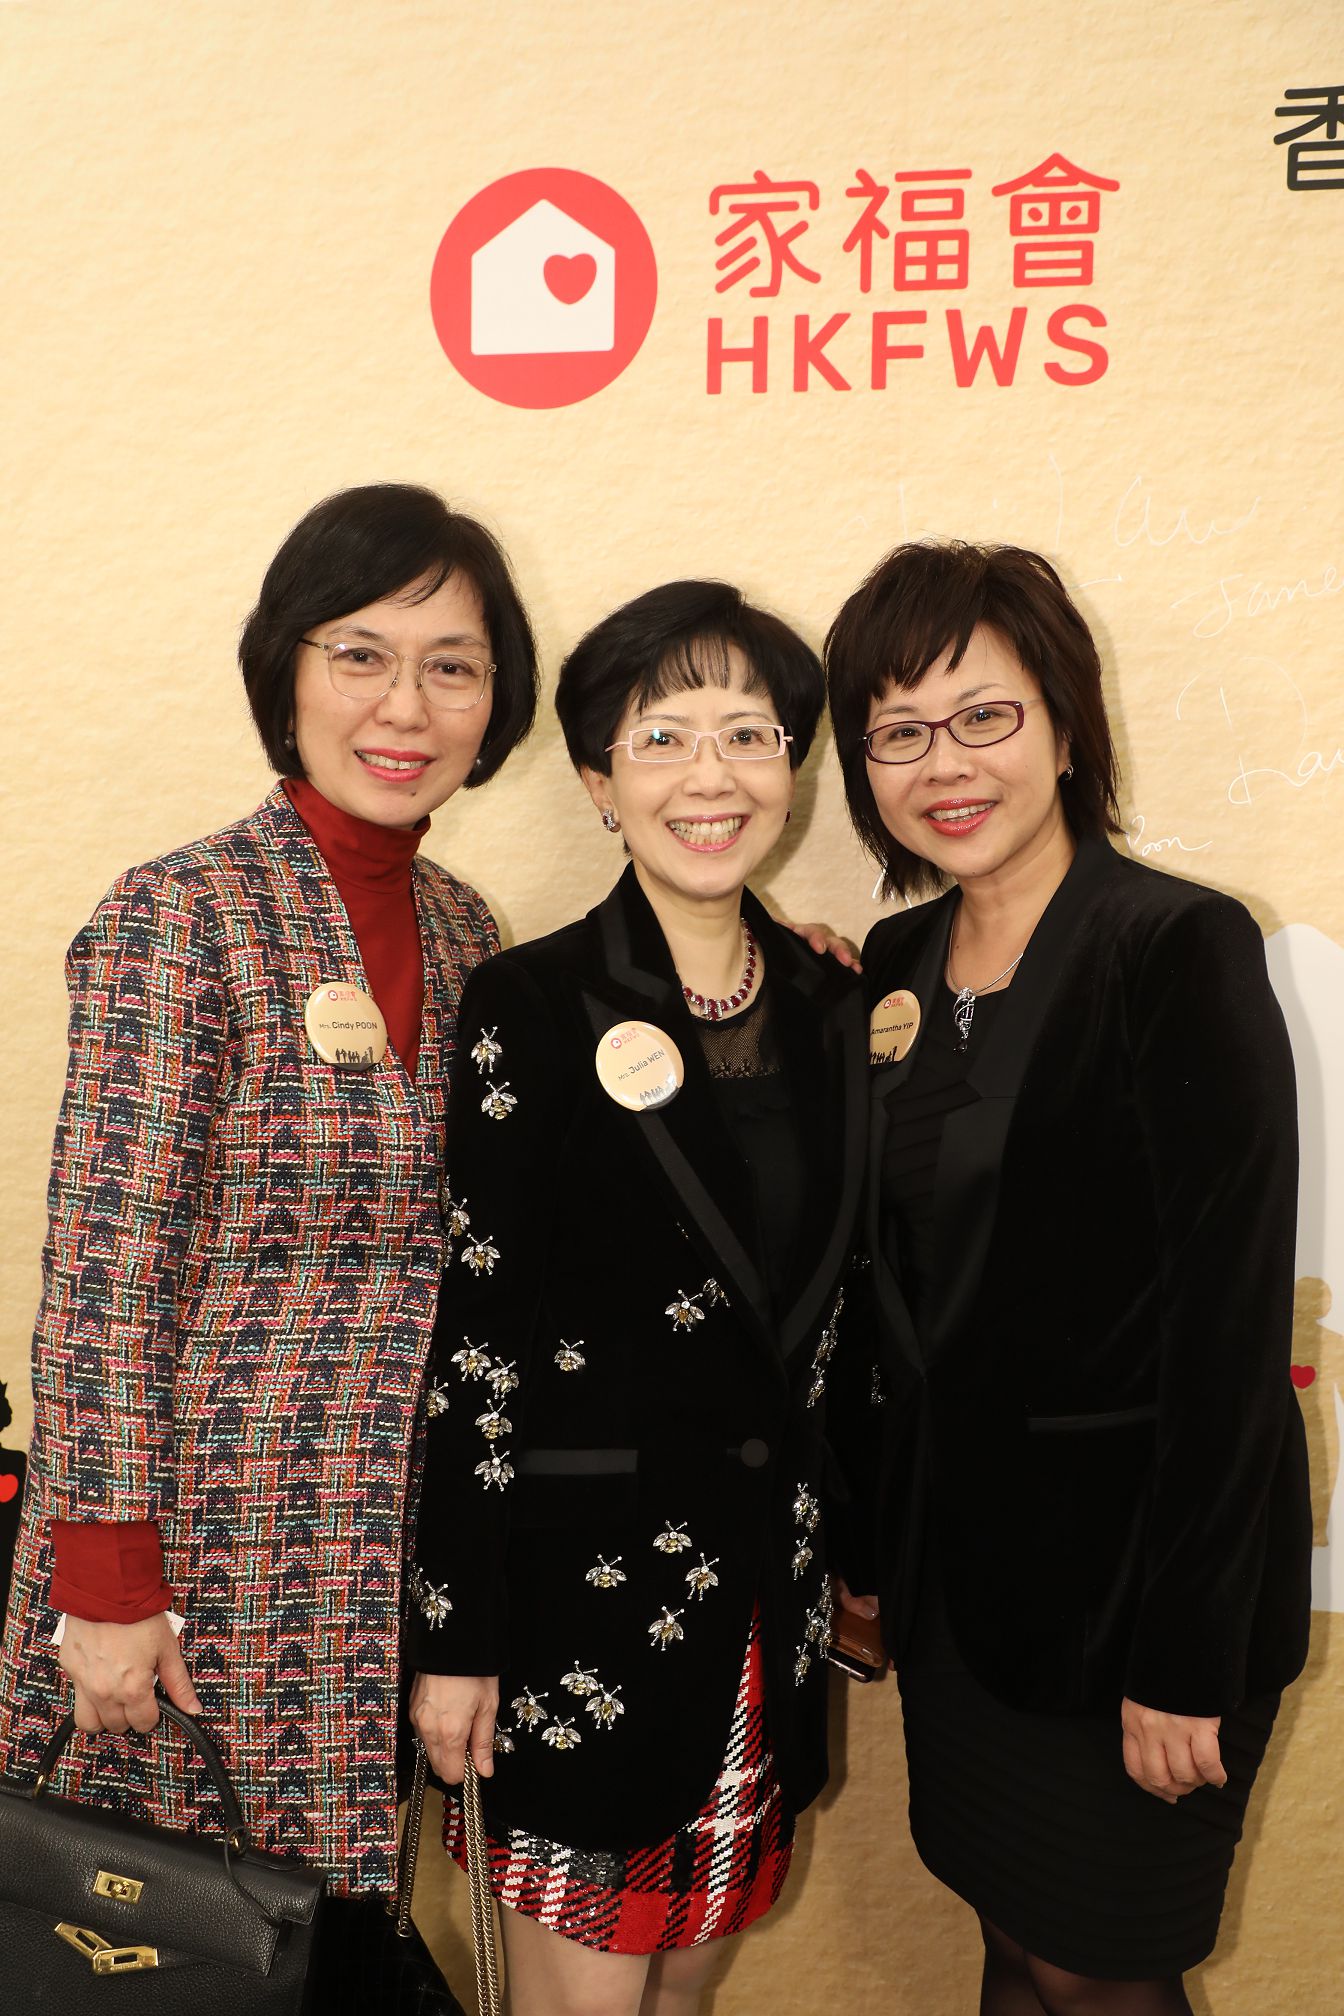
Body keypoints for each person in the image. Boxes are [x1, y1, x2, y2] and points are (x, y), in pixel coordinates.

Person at [0, 485, 538, 1950]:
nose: (405, 705)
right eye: (359, 654)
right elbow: (105, 1271)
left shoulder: (466, 931)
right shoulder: (180, 912)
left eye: (451, 664)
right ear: (284, 672)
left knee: (332, 1943)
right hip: (200, 1559)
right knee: (169, 1949)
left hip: (389, 1548)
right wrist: (107, 1584)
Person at [824, 541, 1311, 2016]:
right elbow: (885, 1284)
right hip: (961, 1595)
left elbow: (1227, 1328)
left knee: (1099, 1971)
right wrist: (867, 1546)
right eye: (898, 731)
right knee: (1012, 1941)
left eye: (985, 715)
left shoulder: (1174, 943)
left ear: (1065, 726)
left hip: (1131, 1601)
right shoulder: (894, 962)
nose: (944, 763)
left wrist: (1186, 1656)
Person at [408, 580, 868, 2016]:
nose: (709, 775)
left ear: (791, 766)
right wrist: (456, 1640)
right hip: (578, 1616)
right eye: (662, 739)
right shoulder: (533, 1004)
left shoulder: (840, 1008)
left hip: (765, 1615)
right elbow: (478, 1341)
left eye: (748, 733)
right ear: (600, 782)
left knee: (683, 2000)